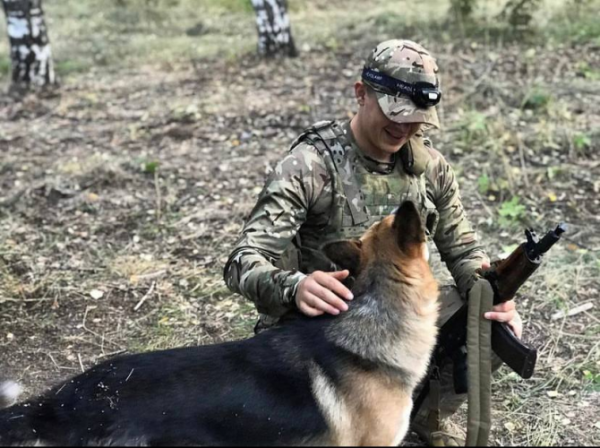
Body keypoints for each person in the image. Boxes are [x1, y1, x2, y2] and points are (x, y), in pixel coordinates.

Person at [224, 39, 522, 446]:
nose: (404, 127)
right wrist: (295, 287)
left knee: (486, 319)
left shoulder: (430, 169)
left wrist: (493, 292)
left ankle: (425, 414)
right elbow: (243, 260)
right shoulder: (310, 166)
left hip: (393, 321)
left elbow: (464, 249)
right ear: (361, 93)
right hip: (319, 335)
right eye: (393, 113)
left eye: (416, 118)